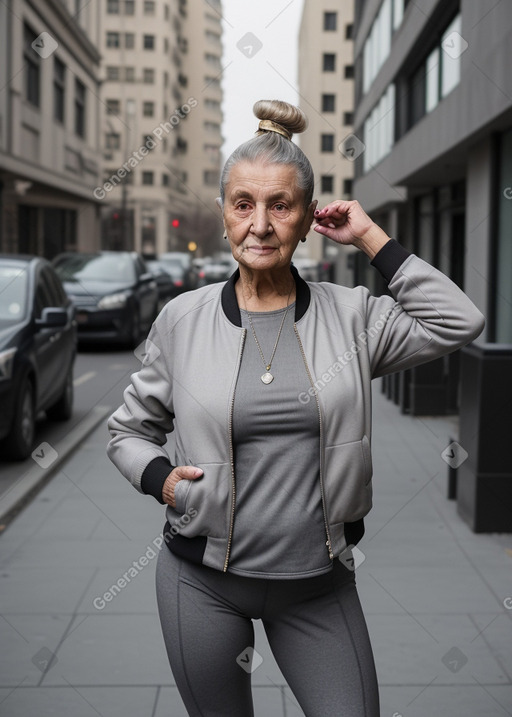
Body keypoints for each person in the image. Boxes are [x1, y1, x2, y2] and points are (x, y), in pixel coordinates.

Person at [107, 99, 485, 717]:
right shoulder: (183, 320)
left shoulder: (354, 316)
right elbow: (129, 432)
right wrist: (161, 480)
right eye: (243, 204)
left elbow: (459, 320)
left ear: (308, 219)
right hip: (200, 583)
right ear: (225, 213)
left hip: (319, 587)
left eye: (280, 206)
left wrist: (370, 236)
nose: (259, 224)